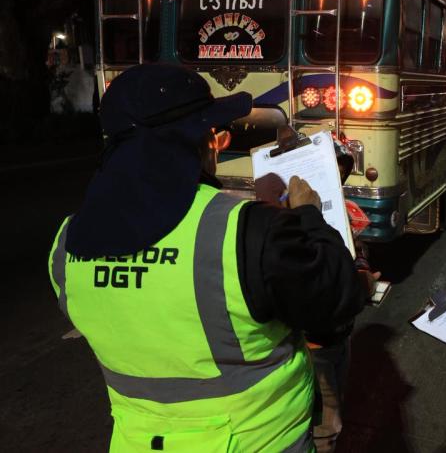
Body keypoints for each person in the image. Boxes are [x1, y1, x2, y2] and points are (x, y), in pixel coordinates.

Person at [48, 64, 373, 452]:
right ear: (198, 143)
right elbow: (335, 298)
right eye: (213, 133)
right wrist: (307, 214)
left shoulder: (65, 246)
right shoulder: (245, 230)